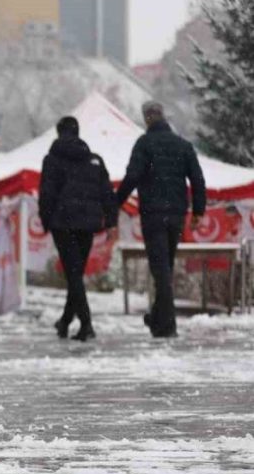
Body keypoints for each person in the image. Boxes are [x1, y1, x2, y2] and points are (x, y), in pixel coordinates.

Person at [115, 102, 206, 338]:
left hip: (153, 214)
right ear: (163, 117)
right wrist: (198, 211)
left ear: (146, 119)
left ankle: (168, 325)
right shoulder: (183, 145)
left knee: (161, 269)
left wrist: (114, 203)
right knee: (165, 267)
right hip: (176, 214)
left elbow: (132, 176)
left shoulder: (144, 144)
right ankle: (158, 319)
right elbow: (197, 179)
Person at [39, 116, 117, 341]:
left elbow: (47, 194)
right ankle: (64, 322)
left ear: (58, 132)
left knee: (73, 274)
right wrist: (110, 221)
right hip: (88, 224)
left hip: (62, 223)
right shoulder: (94, 160)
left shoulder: (52, 159)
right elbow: (107, 193)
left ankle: (86, 325)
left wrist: (46, 221)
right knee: (76, 273)